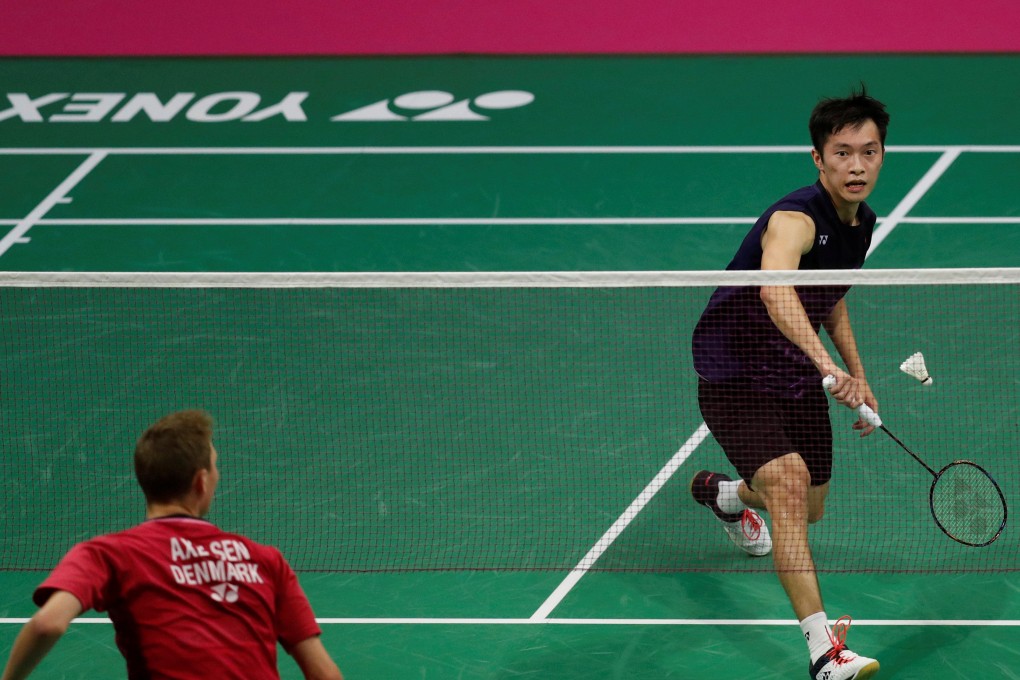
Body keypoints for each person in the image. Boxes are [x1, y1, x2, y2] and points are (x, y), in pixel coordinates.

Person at [690, 87, 888, 680]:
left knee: (809, 507)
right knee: (791, 486)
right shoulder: (793, 220)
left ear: (882, 155)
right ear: (818, 159)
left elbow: (830, 296)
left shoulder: (861, 224)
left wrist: (857, 372)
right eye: (842, 153)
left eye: (869, 151)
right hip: (735, 371)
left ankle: (726, 496)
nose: (857, 165)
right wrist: (828, 367)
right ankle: (825, 652)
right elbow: (776, 291)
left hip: (793, 373)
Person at [1, 410, 343, 680]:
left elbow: (47, 623)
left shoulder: (107, 554)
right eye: (215, 467)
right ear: (201, 481)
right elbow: (323, 673)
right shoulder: (266, 560)